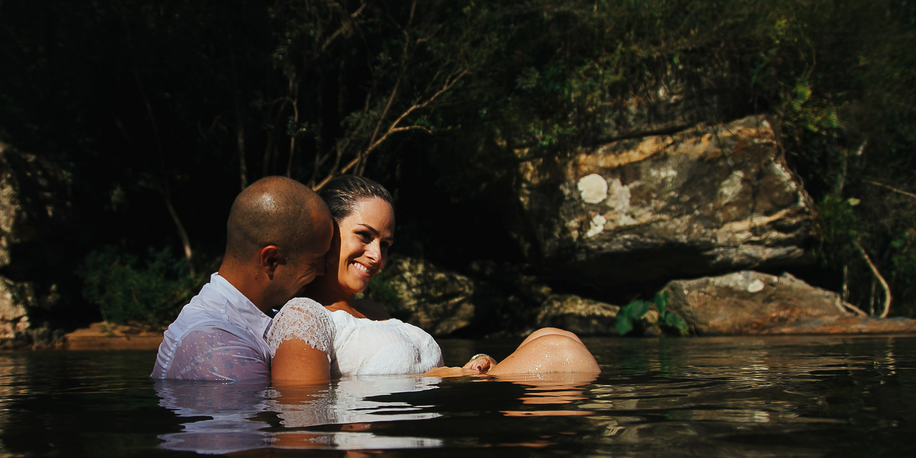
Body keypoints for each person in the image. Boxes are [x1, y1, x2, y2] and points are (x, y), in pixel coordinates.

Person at [265, 176, 600, 383]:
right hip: (371, 452)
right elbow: (302, 414)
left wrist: (469, 369)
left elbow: (416, 375)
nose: (377, 255)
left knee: (552, 334)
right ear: (326, 232)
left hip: (423, 431)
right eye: (364, 236)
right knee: (561, 352)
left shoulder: (375, 311)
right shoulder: (304, 316)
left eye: (386, 244)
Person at [151, 176, 333, 381]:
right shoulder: (214, 345)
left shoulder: (262, 318)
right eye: (316, 261)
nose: (322, 271)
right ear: (272, 260)